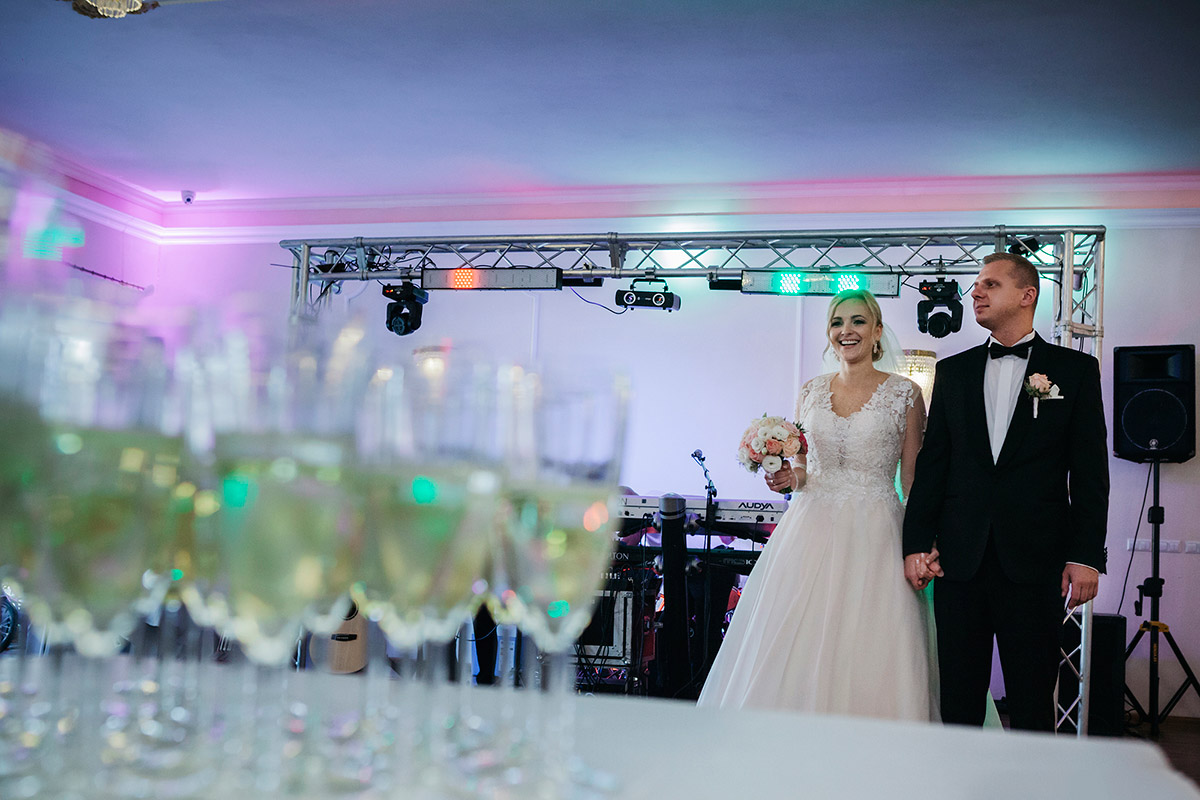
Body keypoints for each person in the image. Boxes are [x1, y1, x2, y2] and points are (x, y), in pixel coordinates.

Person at [698, 289, 936, 721]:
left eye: (858, 321)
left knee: (869, 639)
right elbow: (804, 468)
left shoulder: (904, 394)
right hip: (811, 527)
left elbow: (912, 478)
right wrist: (789, 478)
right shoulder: (810, 391)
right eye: (837, 322)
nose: (847, 330)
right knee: (792, 636)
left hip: (876, 529)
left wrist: (922, 541)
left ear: (877, 331)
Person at [902, 252, 1109, 732]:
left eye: (990, 284)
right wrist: (916, 543)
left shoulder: (1075, 371)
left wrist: (1085, 556)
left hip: (1036, 561)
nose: (975, 292)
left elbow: (1090, 473)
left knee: (1033, 699)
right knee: (958, 699)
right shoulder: (953, 372)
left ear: (1026, 295)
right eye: (976, 285)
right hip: (959, 561)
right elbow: (933, 468)